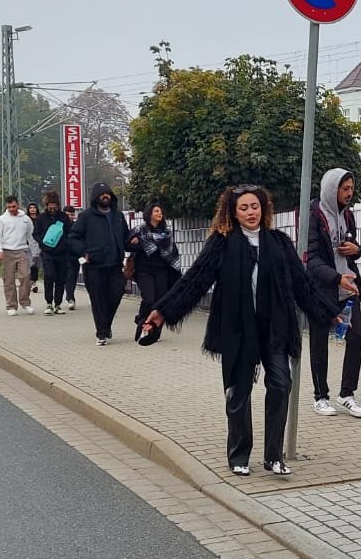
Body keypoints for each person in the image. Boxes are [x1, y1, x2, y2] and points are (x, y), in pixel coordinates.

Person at [143, 185, 340, 477]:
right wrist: (163, 312)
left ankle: (274, 456)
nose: (251, 212)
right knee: (239, 393)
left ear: (264, 209)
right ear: (233, 213)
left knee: (281, 384)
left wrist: (327, 312)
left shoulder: (279, 242)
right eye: (244, 208)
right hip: (238, 330)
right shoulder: (222, 243)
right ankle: (239, 455)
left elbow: (302, 283)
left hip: (274, 328)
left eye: (255, 207)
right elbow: (195, 280)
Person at [304, 168, 361, 418]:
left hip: (348, 289)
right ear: (332, 189)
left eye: (351, 188)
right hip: (321, 291)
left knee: (357, 336)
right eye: (345, 188)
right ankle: (320, 396)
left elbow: (352, 249)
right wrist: (336, 277)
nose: (349, 193)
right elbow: (311, 259)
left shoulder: (348, 215)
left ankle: (347, 394)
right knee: (319, 343)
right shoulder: (314, 215)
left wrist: (356, 250)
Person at [68, 182, 128, 345]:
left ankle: (105, 325)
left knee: (117, 292)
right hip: (94, 265)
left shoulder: (118, 216)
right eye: (102, 194)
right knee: (98, 300)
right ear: (95, 197)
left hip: (115, 264)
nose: (105, 196)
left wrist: (134, 243)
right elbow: (73, 237)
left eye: (108, 193)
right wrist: (84, 252)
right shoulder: (86, 216)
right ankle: (101, 333)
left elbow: (126, 238)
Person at [126, 203, 182, 342]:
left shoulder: (166, 232)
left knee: (160, 302)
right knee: (149, 299)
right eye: (156, 211)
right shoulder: (140, 230)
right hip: (144, 270)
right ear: (149, 214)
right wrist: (138, 243)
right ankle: (141, 322)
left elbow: (172, 252)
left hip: (162, 270)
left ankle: (155, 331)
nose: (159, 213)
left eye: (161, 211)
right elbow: (127, 246)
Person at [0, 195, 36, 315]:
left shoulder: (26, 219)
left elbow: (31, 236)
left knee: (25, 276)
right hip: (7, 251)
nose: (12, 209)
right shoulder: (2, 219)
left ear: (18, 205)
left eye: (14, 206)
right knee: (9, 279)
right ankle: (11, 305)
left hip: (22, 250)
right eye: (9, 207)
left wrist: (34, 251)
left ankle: (25, 303)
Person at [34, 192, 73, 315]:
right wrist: (43, 244)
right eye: (50, 205)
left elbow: (70, 233)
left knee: (61, 278)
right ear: (46, 205)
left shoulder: (64, 217)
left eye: (54, 205)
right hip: (47, 253)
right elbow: (36, 234)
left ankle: (58, 304)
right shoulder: (41, 218)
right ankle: (49, 303)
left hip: (62, 252)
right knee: (49, 276)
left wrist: (65, 244)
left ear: (58, 205)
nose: (52, 208)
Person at [59, 205, 81, 309]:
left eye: (72, 215)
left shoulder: (77, 226)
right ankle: (66, 297)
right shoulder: (58, 226)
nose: (70, 217)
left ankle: (70, 297)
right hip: (61, 255)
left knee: (72, 277)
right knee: (65, 277)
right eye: (67, 215)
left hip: (74, 255)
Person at [25, 202, 42, 294]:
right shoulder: (26, 220)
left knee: (35, 264)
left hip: (38, 244)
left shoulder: (40, 219)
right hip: (27, 245)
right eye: (30, 208)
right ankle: (30, 282)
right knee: (29, 264)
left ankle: (33, 282)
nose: (32, 209)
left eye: (34, 207)